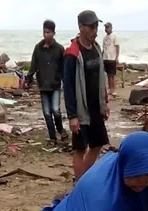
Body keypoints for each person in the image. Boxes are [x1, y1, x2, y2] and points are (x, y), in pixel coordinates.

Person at [64, 10, 109, 181]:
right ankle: (79, 186)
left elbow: (101, 78)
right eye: (91, 27)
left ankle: (83, 180)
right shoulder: (72, 53)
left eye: (96, 26)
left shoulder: (96, 49)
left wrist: (104, 103)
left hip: (95, 107)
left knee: (97, 144)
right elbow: (67, 86)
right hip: (81, 110)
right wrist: (72, 116)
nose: (95, 30)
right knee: (80, 149)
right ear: (81, 27)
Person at [25, 20, 67, 145]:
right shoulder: (38, 48)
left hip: (55, 84)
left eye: (48, 32)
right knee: (47, 113)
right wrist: (28, 79)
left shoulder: (59, 49)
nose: (46, 35)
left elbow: (63, 68)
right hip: (43, 84)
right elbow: (33, 65)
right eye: (44, 32)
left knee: (55, 110)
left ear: (54, 33)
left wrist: (66, 83)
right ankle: (52, 137)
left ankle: (61, 129)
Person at [102, 22, 120, 97]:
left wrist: (117, 57)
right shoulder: (105, 37)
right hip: (105, 58)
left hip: (112, 58)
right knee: (108, 75)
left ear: (111, 28)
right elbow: (104, 48)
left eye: (108, 27)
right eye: (106, 27)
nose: (106, 29)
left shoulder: (114, 36)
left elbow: (117, 46)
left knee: (112, 75)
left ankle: (113, 90)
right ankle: (110, 89)